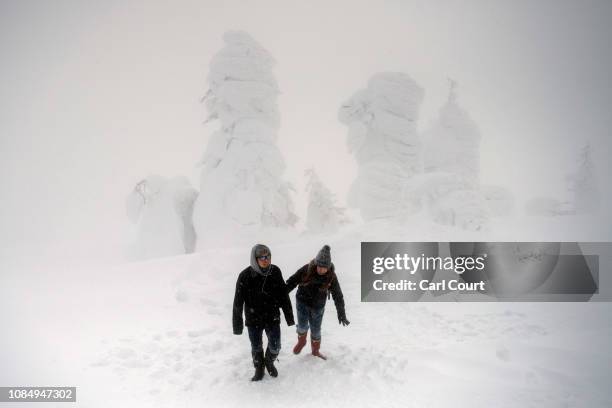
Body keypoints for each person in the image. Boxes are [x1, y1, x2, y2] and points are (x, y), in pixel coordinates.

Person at [233, 244, 295, 381]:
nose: (266, 259)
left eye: (268, 256)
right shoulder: (244, 276)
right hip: (253, 318)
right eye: (262, 257)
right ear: (255, 259)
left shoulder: (275, 271)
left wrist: (289, 317)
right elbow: (237, 302)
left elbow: (283, 295)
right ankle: (259, 368)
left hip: (272, 316)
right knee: (256, 347)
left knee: (275, 346)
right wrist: (237, 325)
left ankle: (269, 361)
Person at [286, 245, 349, 360]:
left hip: (318, 307)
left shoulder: (331, 277)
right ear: (316, 263)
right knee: (302, 326)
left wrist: (341, 313)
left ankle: (315, 351)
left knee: (316, 330)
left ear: (328, 267)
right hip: (302, 303)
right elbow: (292, 281)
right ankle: (302, 341)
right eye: (319, 266)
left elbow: (338, 296)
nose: (321, 269)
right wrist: (281, 295)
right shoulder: (306, 270)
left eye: (324, 267)